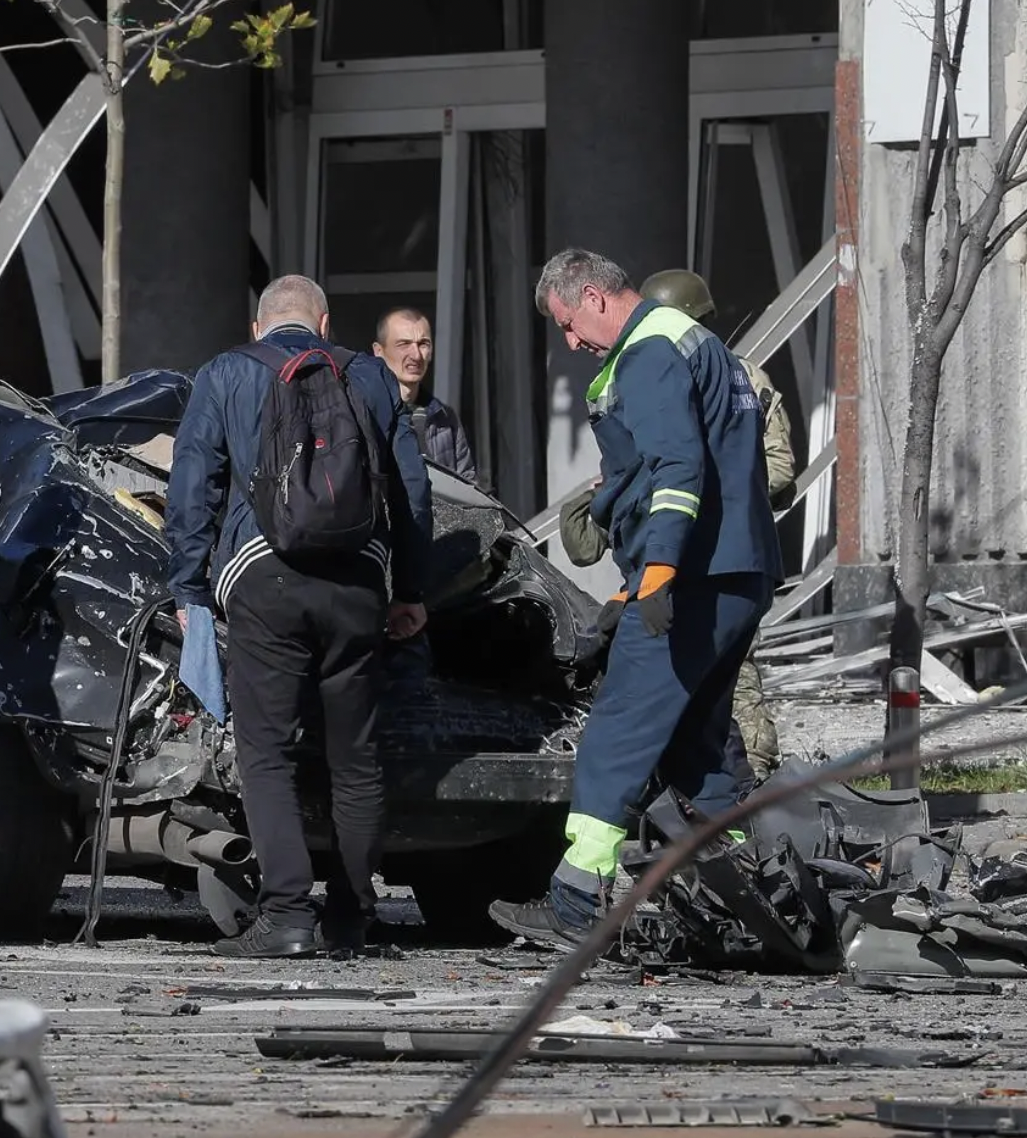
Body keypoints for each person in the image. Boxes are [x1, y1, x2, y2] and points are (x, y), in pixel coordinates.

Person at [490, 249, 781, 949]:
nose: (570, 343)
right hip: (738, 571)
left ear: (594, 296)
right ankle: (747, 893)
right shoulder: (698, 345)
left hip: (691, 578)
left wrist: (655, 575)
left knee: (620, 727)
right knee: (698, 741)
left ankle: (576, 897)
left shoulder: (649, 350)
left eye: (567, 323)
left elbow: (677, 468)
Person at [165, 275, 435, 960]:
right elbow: (411, 488)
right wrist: (410, 588)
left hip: (263, 577)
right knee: (356, 757)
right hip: (358, 580)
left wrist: (189, 585)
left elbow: (194, 485)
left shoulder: (225, 373)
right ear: (324, 322)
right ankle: (351, 917)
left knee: (267, 752)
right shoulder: (369, 376)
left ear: (259, 327)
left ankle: (286, 914)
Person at [639, 269, 797, 779]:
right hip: (672, 552)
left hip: (727, 551)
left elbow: (780, 468)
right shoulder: (651, 377)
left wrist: (716, 489)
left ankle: (751, 777)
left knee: (734, 673)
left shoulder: (742, 377)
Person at [371, 307, 481, 485]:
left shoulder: (444, 418)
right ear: (379, 352)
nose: (416, 355)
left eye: (423, 344)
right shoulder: (365, 415)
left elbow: (467, 485)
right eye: (404, 344)